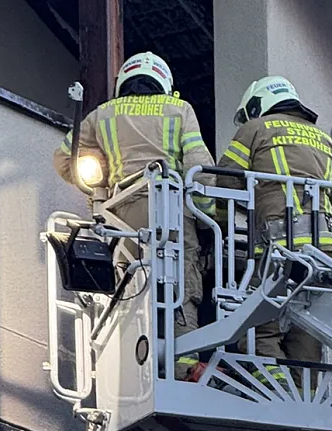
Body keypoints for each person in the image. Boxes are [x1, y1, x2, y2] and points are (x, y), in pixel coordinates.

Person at [53, 52, 215, 380]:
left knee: (125, 287)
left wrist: (96, 183)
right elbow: (200, 166)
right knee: (180, 286)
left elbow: (63, 157)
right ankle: (184, 368)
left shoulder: (103, 115)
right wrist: (207, 217)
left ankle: (126, 366)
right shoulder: (179, 110)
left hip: (120, 218)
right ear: (164, 83)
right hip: (171, 215)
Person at [215, 76, 332, 382]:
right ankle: (305, 398)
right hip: (324, 252)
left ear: (257, 106)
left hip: (279, 245)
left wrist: (219, 227)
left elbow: (225, 181)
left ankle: (273, 385)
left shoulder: (255, 129)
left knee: (258, 324)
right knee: (307, 334)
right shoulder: (326, 140)